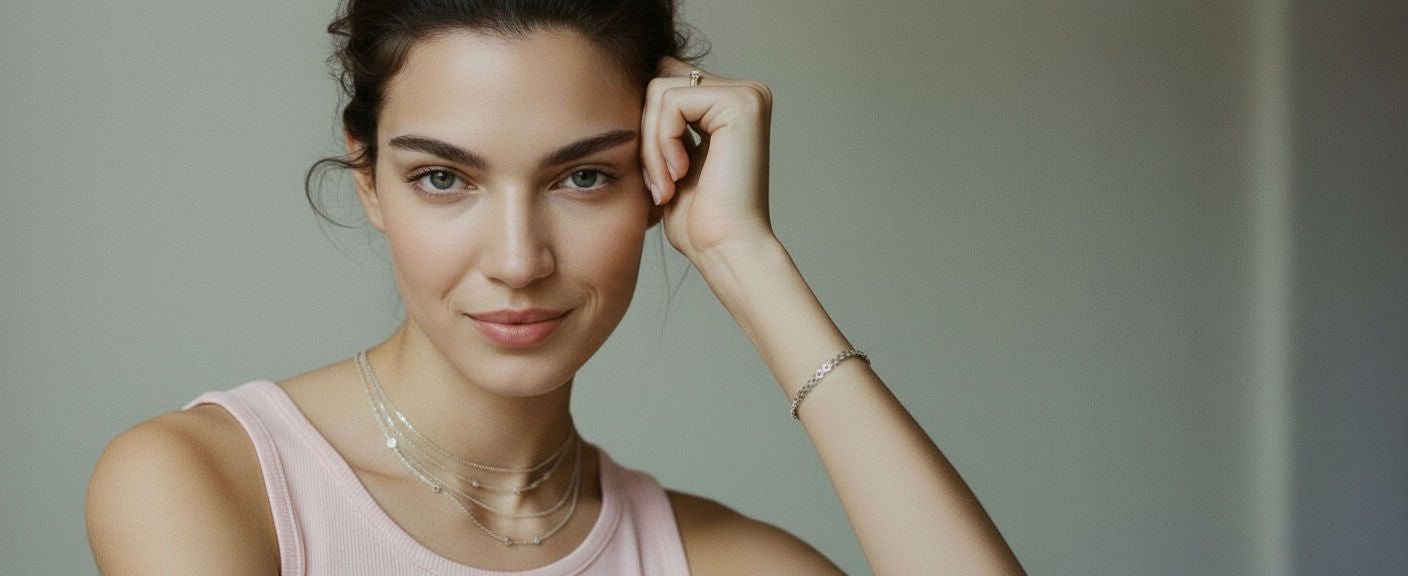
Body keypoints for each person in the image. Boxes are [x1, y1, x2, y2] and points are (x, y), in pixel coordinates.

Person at [86, 1, 1024, 574]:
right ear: (368, 178)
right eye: (443, 178)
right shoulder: (208, 484)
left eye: (583, 178)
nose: (518, 259)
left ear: (662, 181)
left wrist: (747, 258)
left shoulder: (719, 562)